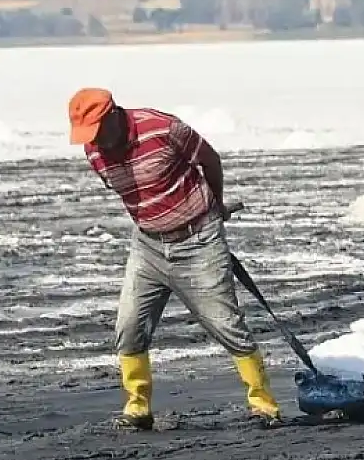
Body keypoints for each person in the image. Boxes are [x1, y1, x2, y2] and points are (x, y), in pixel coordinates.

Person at [68, 87, 283, 430]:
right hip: (147, 247)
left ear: (112, 116)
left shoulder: (164, 128)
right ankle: (137, 408)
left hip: (199, 241)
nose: (94, 141)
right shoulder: (93, 151)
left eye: (96, 131)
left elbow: (210, 160)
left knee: (225, 324)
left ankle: (264, 405)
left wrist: (215, 207)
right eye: (87, 134)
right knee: (129, 326)